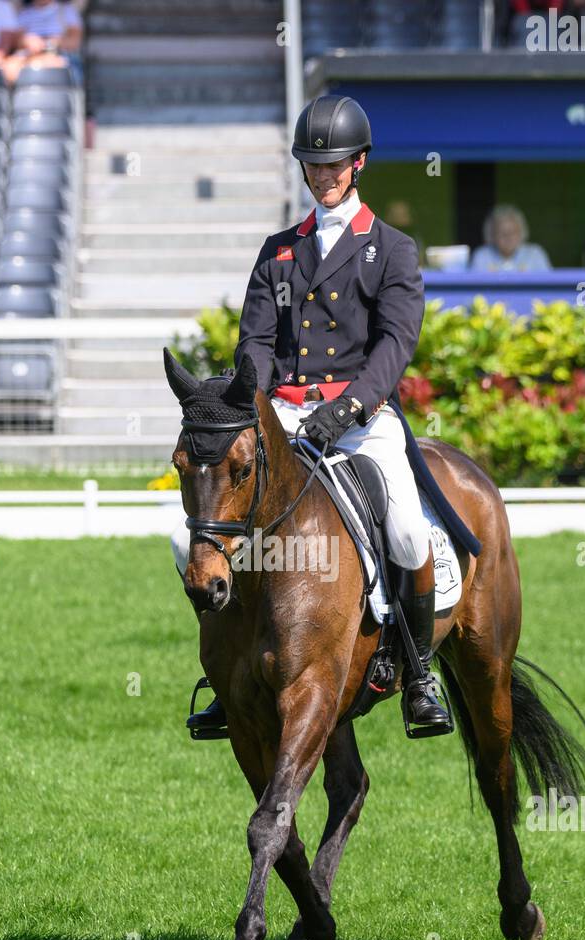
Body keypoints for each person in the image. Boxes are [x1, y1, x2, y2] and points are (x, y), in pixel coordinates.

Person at [181, 95, 459, 740]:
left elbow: (395, 344)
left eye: (333, 166)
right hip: (283, 415)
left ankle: (418, 673)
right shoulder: (279, 252)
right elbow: (255, 342)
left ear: (358, 164)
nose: (323, 177)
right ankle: (230, 675)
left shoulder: (391, 249)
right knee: (201, 534)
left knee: (407, 531)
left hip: (363, 416)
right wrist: (253, 401)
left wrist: (348, 409)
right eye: (312, 166)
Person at [3, 0, 85, 84]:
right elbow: (15, 41)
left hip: (58, 56)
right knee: (9, 68)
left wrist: (50, 43)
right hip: (29, 57)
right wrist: (26, 41)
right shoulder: (24, 13)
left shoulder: (66, 11)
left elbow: (74, 42)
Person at [470, 204, 552, 272]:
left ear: (522, 233)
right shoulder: (482, 256)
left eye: (513, 232)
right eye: (502, 233)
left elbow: (549, 286)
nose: (508, 237)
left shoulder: (535, 254)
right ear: (492, 235)